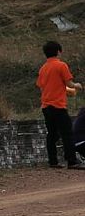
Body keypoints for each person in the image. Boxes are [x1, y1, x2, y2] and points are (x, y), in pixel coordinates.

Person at [36, 40, 83, 169]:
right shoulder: (61, 65)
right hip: (58, 105)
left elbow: (42, 87)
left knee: (52, 134)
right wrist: (77, 86)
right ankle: (72, 161)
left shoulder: (43, 68)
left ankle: (53, 161)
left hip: (46, 106)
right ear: (58, 51)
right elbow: (69, 84)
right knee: (67, 132)